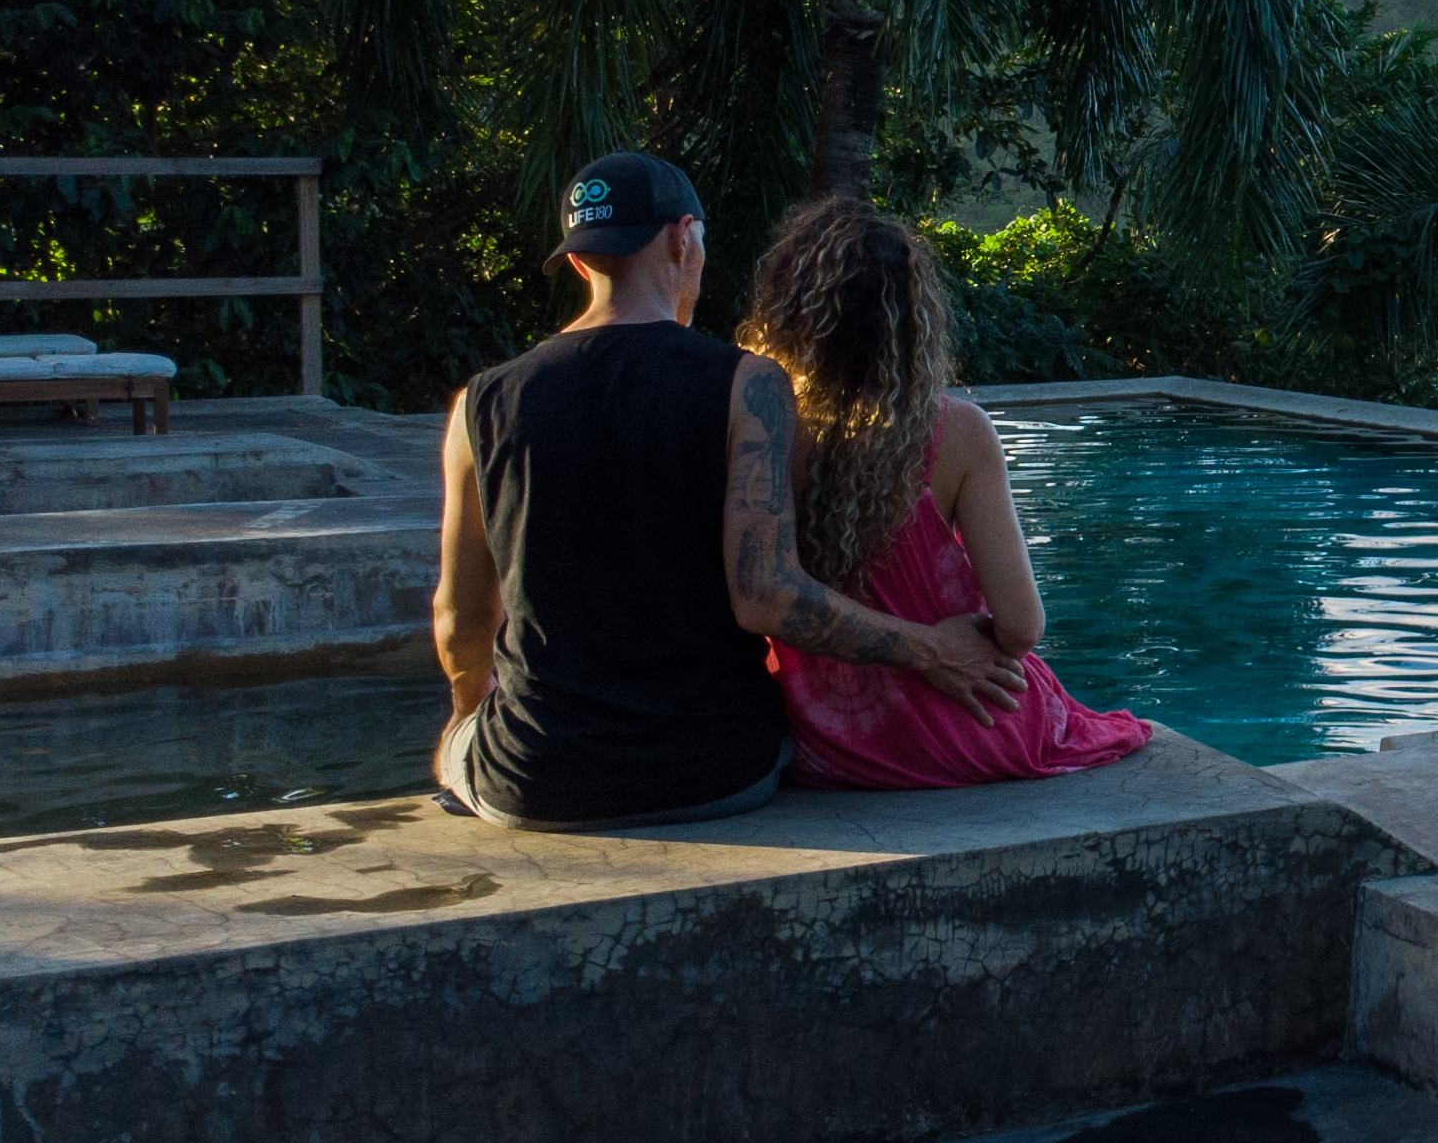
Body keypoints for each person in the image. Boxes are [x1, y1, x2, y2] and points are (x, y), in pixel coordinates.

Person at [430, 151, 1024, 831]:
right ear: (683, 239)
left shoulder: (481, 404)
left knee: (457, 745)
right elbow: (768, 594)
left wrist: (467, 715)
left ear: (580, 262)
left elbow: (459, 619)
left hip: (538, 780)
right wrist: (929, 649)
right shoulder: (749, 386)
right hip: (720, 770)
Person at [734, 195, 1154, 787]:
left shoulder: (764, 434)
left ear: (790, 314)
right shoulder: (956, 433)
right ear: (917, 323)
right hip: (972, 726)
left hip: (827, 744)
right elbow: (1022, 627)